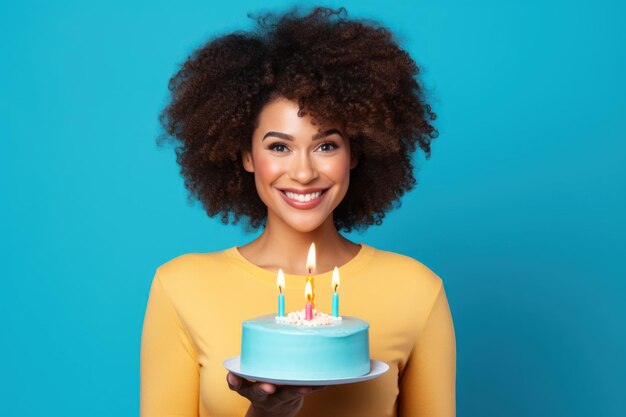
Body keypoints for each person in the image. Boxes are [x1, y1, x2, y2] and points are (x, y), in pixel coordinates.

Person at [141, 6, 455, 417]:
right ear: (246, 156)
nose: (304, 172)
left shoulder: (418, 290)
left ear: (356, 153)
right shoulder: (180, 287)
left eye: (326, 145)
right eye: (278, 147)